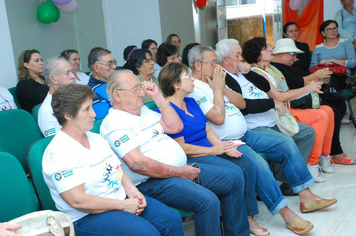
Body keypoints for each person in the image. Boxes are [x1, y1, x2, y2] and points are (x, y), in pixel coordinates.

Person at [158, 62, 319, 235]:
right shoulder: (169, 110)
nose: (192, 80)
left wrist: (221, 146)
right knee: (239, 170)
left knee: (246, 161)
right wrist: (215, 150)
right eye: (187, 77)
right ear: (176, 84)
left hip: (213, 146)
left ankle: (250, 218)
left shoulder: (189, 102)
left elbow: (207, 129)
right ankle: (246, 221)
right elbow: (181, 147)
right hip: (196, 155)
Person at [187, 44, 337, 228]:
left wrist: (221, 88)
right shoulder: (194, 89)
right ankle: (286, 214)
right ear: (197, 65)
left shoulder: (215, 80)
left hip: (245, 134)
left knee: (286, 143)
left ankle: (306, 196)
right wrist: (218, 89)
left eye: (217, 62)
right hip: (227, 142)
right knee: (259, 165)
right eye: (212, 63)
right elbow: (217, 119)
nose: (217, 66)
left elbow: (241, 103)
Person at [100, 69, 249, 236]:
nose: (141, 92)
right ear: (117, 95)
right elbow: (138, 164)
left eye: (140, 87)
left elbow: (176, 127)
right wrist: (179, 172)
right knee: (208, 201)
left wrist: (157, 96)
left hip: (178, 168)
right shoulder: (114, 123)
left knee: (234, 179)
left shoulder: (144, 111)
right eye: (135, 89)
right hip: (153, 180)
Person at [43, 83, 184, 236]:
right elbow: (78, 201)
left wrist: (133, 191)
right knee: (147, 233)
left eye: (91, 107)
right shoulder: (59, 151)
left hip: (119, 199)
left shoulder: (95, 138)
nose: (94, 114)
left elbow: (118, 169)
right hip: (87, 216)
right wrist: (123, 205)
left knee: (172, 220)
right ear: (68, 116)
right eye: (87, 109)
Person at [241, 37, 336, 182]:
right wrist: (308, 88)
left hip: (279, 113)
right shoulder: (257, 72)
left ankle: (293, 174)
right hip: (273, 117)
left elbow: (285, 92)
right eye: (266, 47)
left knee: (310, 130)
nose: (271, 49)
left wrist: (309, 87)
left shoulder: (270, 69)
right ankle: (304, 169)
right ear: (258, 54)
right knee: (317, 120)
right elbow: (279, 96)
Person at [271, 38, 356, 167]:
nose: (295, 57)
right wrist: (316, 76)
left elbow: (301, 79)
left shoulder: (287, 66)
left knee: (337, 105)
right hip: (293, 102)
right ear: (281, 53)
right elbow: (294, 83)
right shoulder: (275, 68)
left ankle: (326, 153)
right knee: (331, 110)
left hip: (302, 97)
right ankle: (323, 157)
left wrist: (319, 80)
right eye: (292, 54)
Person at [310, 20, 356, 91]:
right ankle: (329, 95)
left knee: (329, 80)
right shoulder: (318, 48)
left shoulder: (346, 43)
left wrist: (332, 60)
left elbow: (352, 63)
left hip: (342, 76)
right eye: (329, 29)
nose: (333, 31)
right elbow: (312, 68)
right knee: (323, 80)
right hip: (323, 76)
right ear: (323, 33)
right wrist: (322, 63)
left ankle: (328, 95)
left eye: (335, 28)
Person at [38, 57, 76, 137]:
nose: (73, 76)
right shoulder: (47, 110)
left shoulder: (75, 99)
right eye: (67, 73)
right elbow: (56, 143)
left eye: (72, 72)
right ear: (53, 79)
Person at [87, 47, 117, 120]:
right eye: (109, 64)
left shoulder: (116, 82)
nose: (114, 67)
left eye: (114, 63)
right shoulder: (92, 92)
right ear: (96, 67)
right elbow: (105, 120)